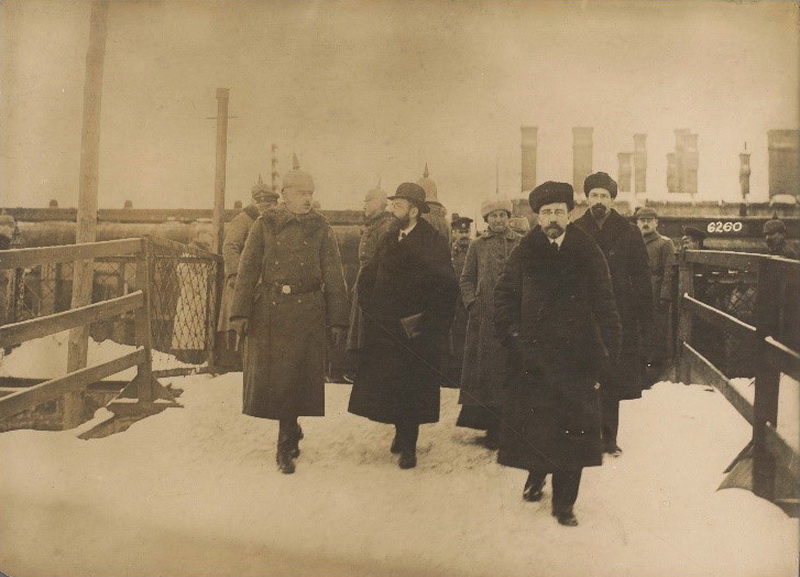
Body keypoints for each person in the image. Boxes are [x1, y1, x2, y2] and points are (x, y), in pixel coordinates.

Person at [494, 181, 621, 527]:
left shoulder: (586, 250)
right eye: (547, 213)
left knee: (574, 432)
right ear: (537, 217)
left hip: (577, 359)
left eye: (559, 212)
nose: (553, 218)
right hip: (532, 359)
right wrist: (513, 336)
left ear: (570, 214)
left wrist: (609, 347)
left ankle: (565, 502)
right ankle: (536, 474)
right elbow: (503, 296)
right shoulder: (525, 250)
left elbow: (605, 302)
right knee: (538, 425)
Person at [230, 160, 349, 475]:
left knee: (297, 378)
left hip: (309, 309)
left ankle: (287, 436)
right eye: (300, 193)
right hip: (271, 311)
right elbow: (247, 270)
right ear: (285, 195)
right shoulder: (265, 225)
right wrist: (239, 313)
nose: (307, 199)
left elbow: (335, 274)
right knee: (279, 380)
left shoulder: (321, 227)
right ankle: (287, 437)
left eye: (310, 193)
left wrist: (338, 318)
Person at [348, 182, 458, 469]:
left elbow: (446, 287)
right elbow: (368, 276)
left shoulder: (432, 241)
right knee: (392, 386)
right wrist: (370, 308)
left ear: (413, 210)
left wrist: (427, 322)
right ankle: (400, 431)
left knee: (413, 388)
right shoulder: (389, 237)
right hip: (386, 328)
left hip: (416, 330)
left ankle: (409, 445)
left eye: (398, 204)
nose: (393, 208)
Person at [574, 172, 652, 457]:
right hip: (583, 315)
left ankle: (609, 437)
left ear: (612, 200)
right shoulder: (576, 228)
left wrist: (645, 316)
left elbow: (642, 276)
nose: (598, 201)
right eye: (594, 195)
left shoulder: (628, 231)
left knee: (611, 376)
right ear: (586, 198)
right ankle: (585, 435)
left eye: (604, 196)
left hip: (618, 316)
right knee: (583, 376)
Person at [456, 197, 521, 448]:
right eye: (493, 216)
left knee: (510, 370)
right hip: (485, 320)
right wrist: (473, 303)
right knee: (487, 372)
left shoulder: (520, 243)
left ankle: (510, 427)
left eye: (502, 215)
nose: (498, 220)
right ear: (486, 220)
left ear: (508, 217)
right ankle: (491, 428)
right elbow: (466, 279)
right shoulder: (477, 246)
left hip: (513, 318)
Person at [216, 176, 280, 370]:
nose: (268, 207)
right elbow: (230, 246)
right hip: (241, 283)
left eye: (271, 204)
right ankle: (232, 366)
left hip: (259, 283)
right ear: (256, 202)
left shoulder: (267, 222)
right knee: (237, 323)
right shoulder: (243, 220)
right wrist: (236, 275)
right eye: (265, 204)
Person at [345, 182, 395, 356]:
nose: (364, 205)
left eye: (368, 201)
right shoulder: (372, 225)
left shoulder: (386, 227)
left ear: (379, 204)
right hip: (364, 282)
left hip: (375, 287)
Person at [635, 207, 677, 385]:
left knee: (656, 331)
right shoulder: (634, 242)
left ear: (656, 222)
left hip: (655, 292)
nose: (645, 223)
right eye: (642, 220)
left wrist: (665, 296)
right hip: (636, 293)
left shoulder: (664, 243)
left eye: (649, 220)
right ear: (637, 223)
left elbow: (669, 271)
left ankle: (656, 372)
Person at [447, 214, 473, 386]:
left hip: (470, 301)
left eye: (466, 231)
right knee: (455, 338)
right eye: (460, 232)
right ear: (454, 233)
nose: (464, 235)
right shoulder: (449, 252)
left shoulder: (476, 249)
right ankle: (455, 374)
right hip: (454, 302)